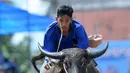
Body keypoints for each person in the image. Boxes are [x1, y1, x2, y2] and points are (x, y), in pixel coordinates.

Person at [32, 5, 102, 73]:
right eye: (61, 21)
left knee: (93, 68)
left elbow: (82, 51)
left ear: (71, 19)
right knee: (45, 70)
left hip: (77, 57)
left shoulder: (79, 28)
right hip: (58, 57)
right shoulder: (50, 32)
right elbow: (51, 53)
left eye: (67, 20)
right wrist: (59, 61)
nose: (64, 24)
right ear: (56, 19)